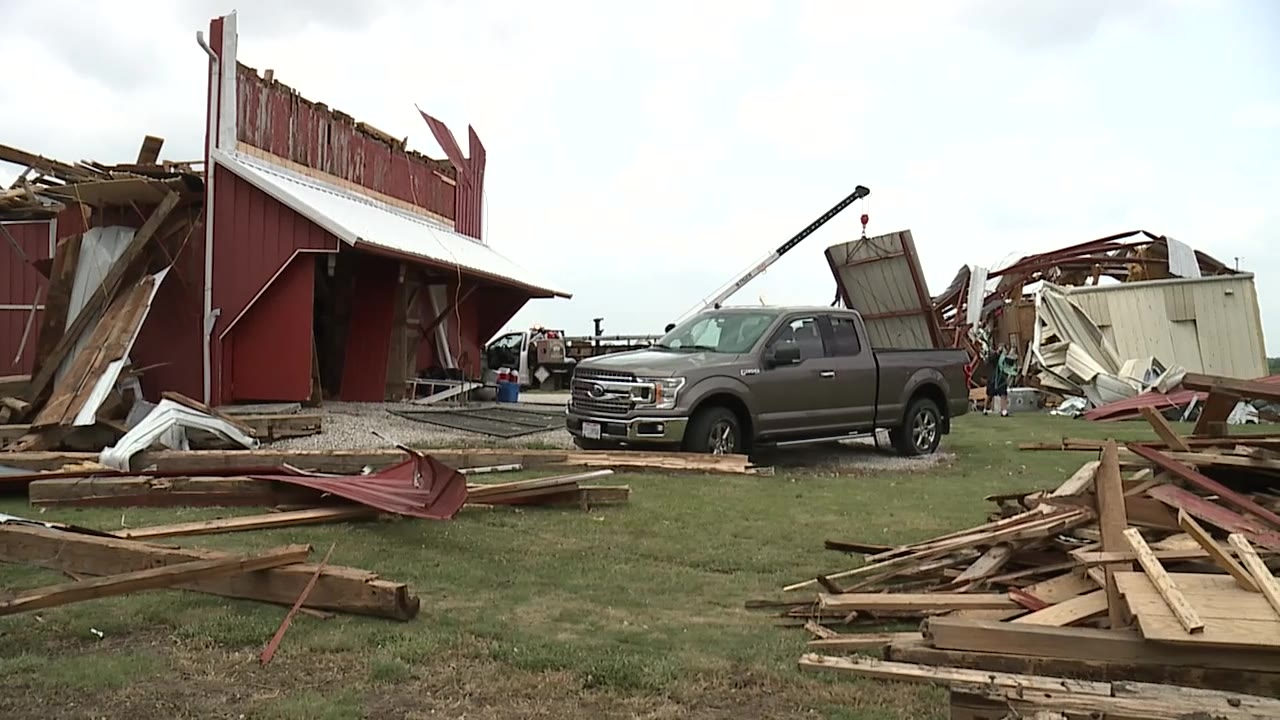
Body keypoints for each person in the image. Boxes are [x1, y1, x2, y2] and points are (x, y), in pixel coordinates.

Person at [985, 345, 1012, 416]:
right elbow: (992, 359)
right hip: (993, 379)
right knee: (989, 395)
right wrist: (998, 352)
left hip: (1001, 378)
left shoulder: (1004, 357)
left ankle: (1004, 410)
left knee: (1003, 395)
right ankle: (985, 409)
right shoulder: (992, 357)